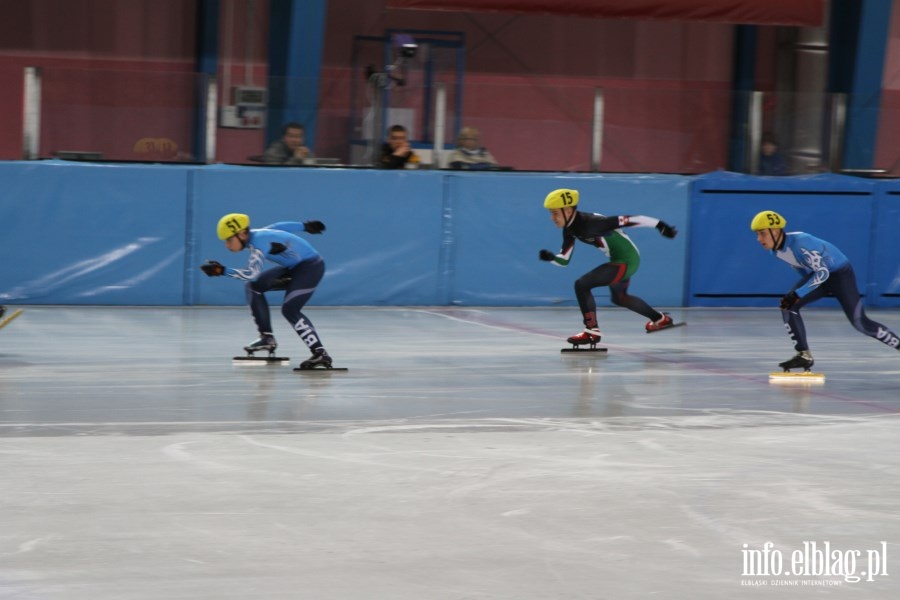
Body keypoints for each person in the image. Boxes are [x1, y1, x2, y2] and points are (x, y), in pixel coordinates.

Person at [750, 210, 899, 371]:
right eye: (757, 234)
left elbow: (823, 272)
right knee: (787, 305)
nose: (759, 239)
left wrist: (799, 293)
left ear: (776, 231)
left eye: (762, 234)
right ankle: (803, 355)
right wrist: (800, 292)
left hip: (839, 275)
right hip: (820, 275)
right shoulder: (776, 250)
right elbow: (802, 267)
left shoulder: (801, 243)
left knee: (860, 323)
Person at [538, 188, 679, 345]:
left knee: (582, 284)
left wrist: (660, 225)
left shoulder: (592, 223)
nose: (552, 218)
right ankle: (661, 319)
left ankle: (591, 332)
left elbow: (629, 219)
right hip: (619, 260)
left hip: (626, 260)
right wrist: (550, 258)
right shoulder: (569, 229)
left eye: (555, 213)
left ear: (569, 211)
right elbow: (564, 260)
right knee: (620, 298)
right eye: (551, 213)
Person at [199, 213, 333, 369]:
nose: (227, 246)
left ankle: (320, 353)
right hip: (295, 268)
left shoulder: (258, 244)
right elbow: (280, 226)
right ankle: (267, 338)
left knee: (290, 309)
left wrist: (222, 270)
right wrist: (304, 226)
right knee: (253, 287)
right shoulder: (260, 233)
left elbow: (251, 273)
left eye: (229, 240)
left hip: (311, 268)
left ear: (242, 234)